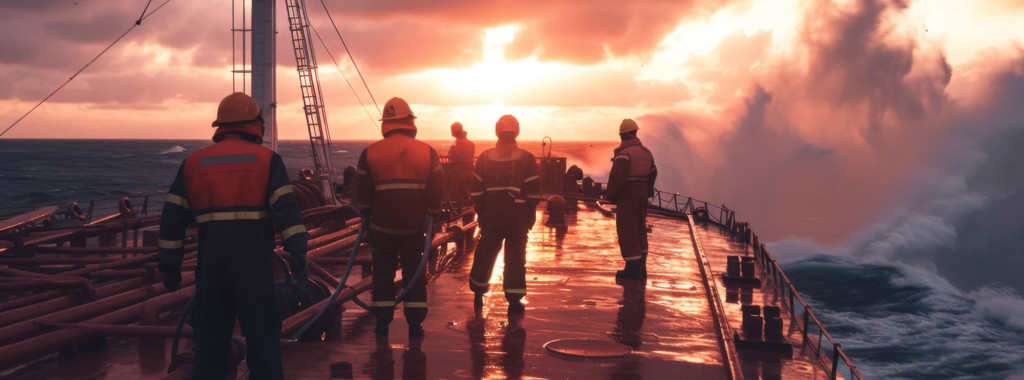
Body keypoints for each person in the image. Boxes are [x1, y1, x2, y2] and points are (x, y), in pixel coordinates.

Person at [157, 92, 309, 379]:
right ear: (255, 124)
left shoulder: (193, 164)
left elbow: (172, 221)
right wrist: (298, 251)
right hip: (255, 272)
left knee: (210, 352)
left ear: (221, 125)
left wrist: (169, 267)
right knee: (264, 351)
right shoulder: (268, 161)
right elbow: (286, 212)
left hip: (212, 273)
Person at [353, 97, 444, 338]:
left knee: (383, 274)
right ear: (410, 122)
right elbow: (437, 188)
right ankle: (415, 324)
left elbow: (361, 194)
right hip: (415, 228)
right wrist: (431, 211)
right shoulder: (427, 151)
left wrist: (367, 214)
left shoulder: (370, 153)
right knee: (414, 274)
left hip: (381, 227)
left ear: (386, 124)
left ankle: (382, 323)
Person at [468, 114, 540, 315]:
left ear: (497, 131)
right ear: (516, 131)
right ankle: (515, 300)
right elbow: (533, 191)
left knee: (486, 253)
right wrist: (531, 214)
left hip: (491, 215)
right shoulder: (527, 158)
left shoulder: (484, 157)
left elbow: (476, 191)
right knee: (516, 257)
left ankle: (478, 292)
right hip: (518, 218)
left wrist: (482, 213)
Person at [605, 118, 657, 281]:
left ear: (622, 135)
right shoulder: (646, 152)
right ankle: (641, 268)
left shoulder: (624, 154)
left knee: (627, 230)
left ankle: (632, 269)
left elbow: (617, 177)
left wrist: (611, 195)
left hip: (628, 194)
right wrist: (647, 190)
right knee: (640, 229)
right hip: (642, 194)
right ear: (635, 133)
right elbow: (653, 172)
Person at [447, 122, 476, 206]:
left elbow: (452, 156)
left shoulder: (457, 144)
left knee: (458, 197)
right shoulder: (470, 143)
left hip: (459, 174)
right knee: (467, 196)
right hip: (469, 172)